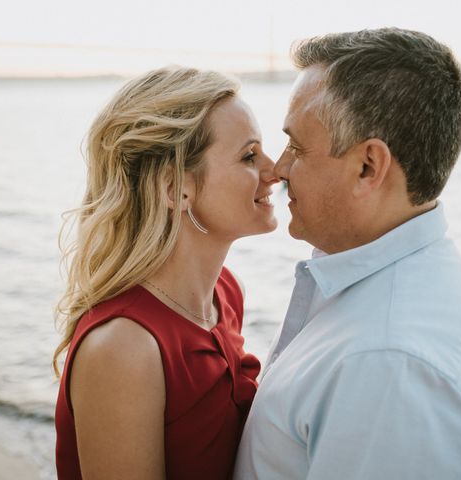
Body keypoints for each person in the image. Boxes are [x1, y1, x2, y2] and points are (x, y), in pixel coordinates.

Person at [234, 28, 461, 479]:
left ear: (368, 167)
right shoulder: (377, 283)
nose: (278, 169)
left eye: (297, 147)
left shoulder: (390, 363)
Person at [53, 66, 278, 479]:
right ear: (176, 188)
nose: (275, 169)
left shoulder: (226, 292)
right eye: (249, 155)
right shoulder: (124, 348)